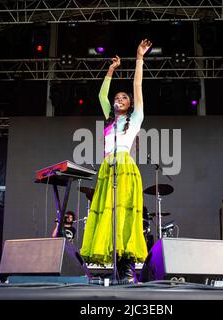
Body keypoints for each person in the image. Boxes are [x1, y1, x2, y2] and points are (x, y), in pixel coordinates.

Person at [80, 39, 152, 283]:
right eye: (117, 97)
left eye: (124, 97)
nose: (119, 98)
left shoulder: (136, 117)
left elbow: (137, 84)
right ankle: (117, 270)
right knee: (108, 217)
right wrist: (111, 69)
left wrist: (139, 58)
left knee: (123, 216)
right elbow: (102, 94)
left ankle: (128, 270)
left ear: (130, 104)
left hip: (125, 168)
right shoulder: (109, 121)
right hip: (107, 168)